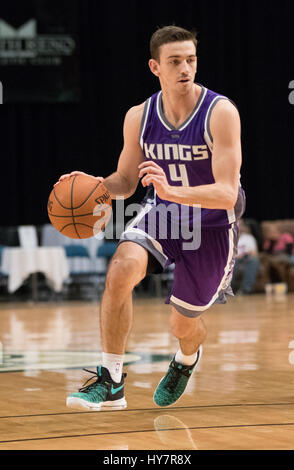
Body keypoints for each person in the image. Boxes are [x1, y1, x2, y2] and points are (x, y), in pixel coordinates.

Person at [56, 25, 245, 410]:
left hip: (212, 224)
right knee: (120, 270)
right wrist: (94, 186)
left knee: (183, 326)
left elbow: (227, 192)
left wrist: (175, 191)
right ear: (155, 67)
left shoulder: (220, 112)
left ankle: (186, 359)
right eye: (175, 61)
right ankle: (111, 382)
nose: (185, 69)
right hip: (163, 213)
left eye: (190, 60)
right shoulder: (139, 117)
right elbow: (125, 180)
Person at [232, 219, 260, 294]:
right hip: (233, 260)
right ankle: (227, 289)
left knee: (254, 261)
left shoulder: (249, 238)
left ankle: (245, 290)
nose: (238, 226)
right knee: (232, 262)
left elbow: (254, 253)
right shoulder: (229, 238)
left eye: (240, 225)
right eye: (236, 224)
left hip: (246, 260)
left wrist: (246, 254)